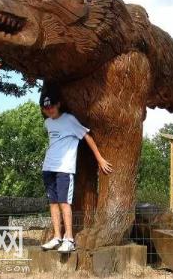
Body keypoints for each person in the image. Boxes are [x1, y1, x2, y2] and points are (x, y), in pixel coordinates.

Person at [39, 88, 113, 252]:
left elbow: (86, 136)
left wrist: (99, 159)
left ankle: (69, 239)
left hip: (64, 169)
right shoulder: (48, 123)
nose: (49, 110)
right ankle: (57, 237)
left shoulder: (70, 120)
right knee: (53, 203)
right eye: (46, 108)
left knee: (65, 203)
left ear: (58, 104)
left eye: (51, 106)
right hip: (48, 167)